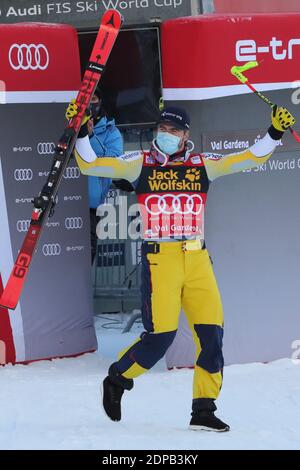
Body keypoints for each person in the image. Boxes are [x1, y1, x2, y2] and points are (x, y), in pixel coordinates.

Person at [71, 104, 295, 432]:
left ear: (185, 135)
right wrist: (80, 132)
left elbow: (247, 158)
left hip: (198, 258)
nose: (167, 134)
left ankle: (203, 408)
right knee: (160, 337)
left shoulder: (202, 164)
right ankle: (118, 378)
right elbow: (89, 164)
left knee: (212, 335)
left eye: (174, 130)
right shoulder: (140, 165)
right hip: (160, 259)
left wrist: (274, 132)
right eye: (162, 128)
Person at [66, 89, 123, 263]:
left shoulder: (111, 131)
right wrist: (75, 130)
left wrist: (88, 137)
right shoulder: (69, 126)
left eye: (94, 99)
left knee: (86, 258)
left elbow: (113, 163)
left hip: (91, 206)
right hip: (64, 204)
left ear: (100, 102)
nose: (90, 104)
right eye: (86, 100)